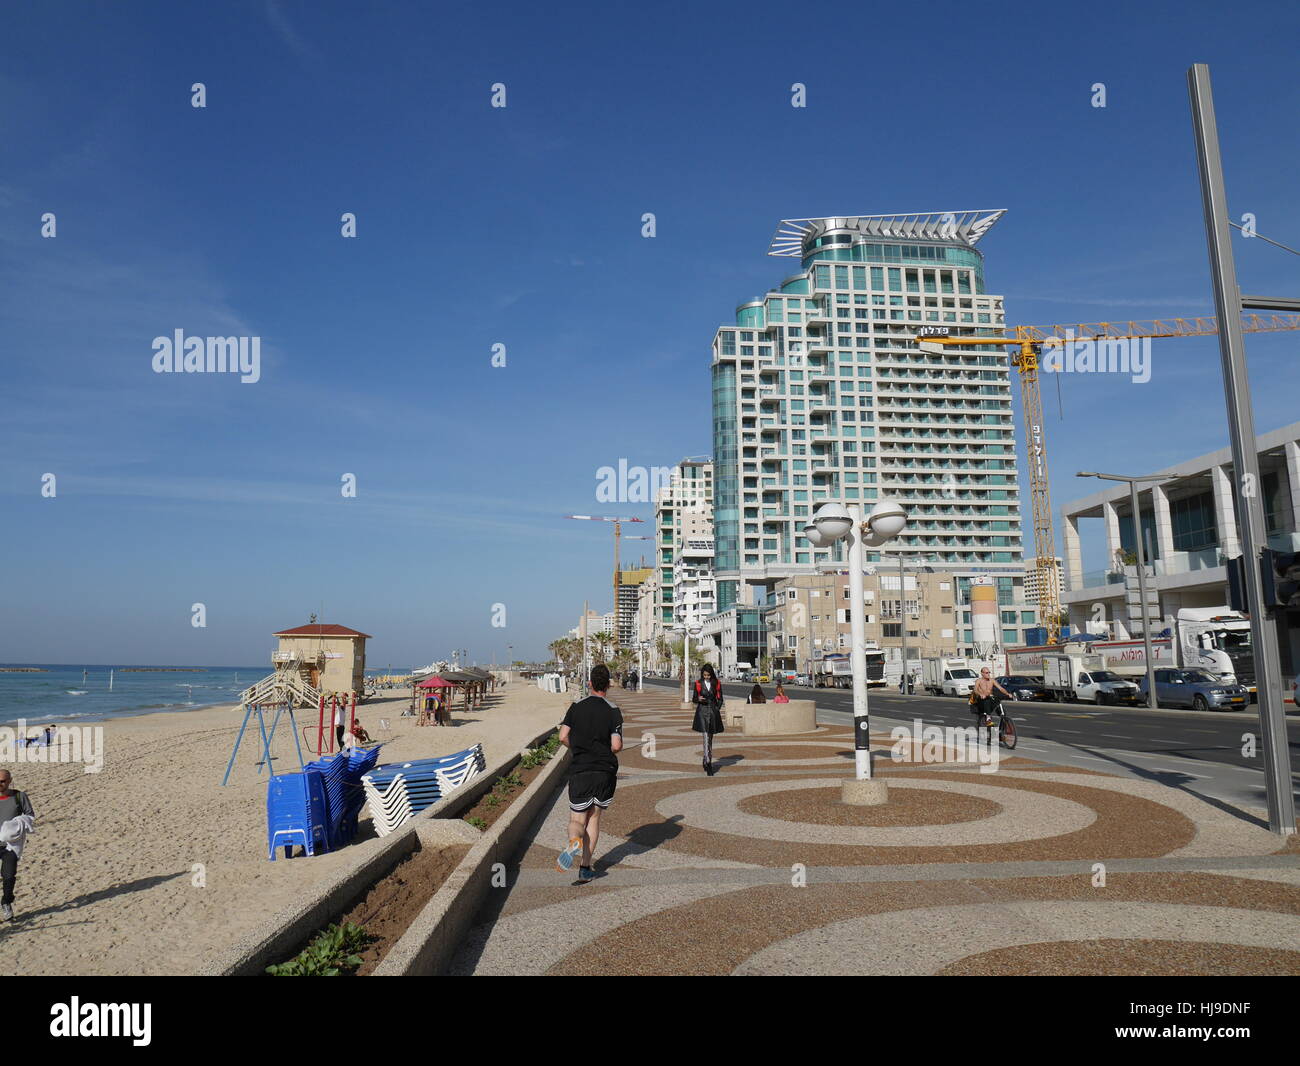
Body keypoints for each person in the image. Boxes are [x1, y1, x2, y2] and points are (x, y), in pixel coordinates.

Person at [557, 664, 623, 884]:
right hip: (604, 771)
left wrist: (576, 748)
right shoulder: (613, 710)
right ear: (609, 685)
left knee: (577, 817)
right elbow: (616, 745)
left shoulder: (577, 706)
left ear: (590, 683)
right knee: (594, 818)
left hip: (580, 769)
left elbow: (562, 736)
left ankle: (574, 840)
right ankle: (585, 868)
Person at [0, 769, 35, 921]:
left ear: (9, 781)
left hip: (10, 845)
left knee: (8, 876)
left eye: (2, 781)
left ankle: (6, 902)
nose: (0, 784)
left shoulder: (19, 796)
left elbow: (30, 815)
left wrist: (18, 824)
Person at [690, 664, 725, 776]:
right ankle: (708, 761)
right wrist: (698, 699)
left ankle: (705, 758)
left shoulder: (717, 683)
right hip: (702, 712)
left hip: (713, 712)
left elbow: (720, 699)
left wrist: (717, 708)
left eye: (708, 675)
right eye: (705, 675)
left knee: (710, 737)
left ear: (711, 674)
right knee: (705, 736)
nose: (707, 677)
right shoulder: (698, 683)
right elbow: (694, 698)